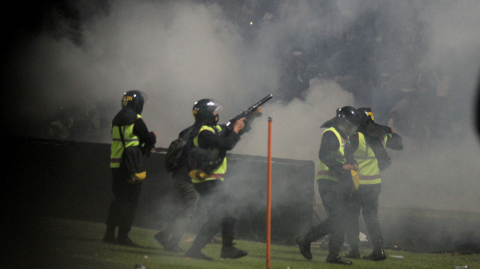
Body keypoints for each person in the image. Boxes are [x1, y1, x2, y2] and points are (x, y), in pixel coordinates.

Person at [184, 98, 261, 261]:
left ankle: (204, 250)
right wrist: (236, 128)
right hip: (208, 180)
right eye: (214, 111)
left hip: (209, 180)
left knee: (218, 216)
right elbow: (227, 143)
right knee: (226, 211)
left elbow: (232, 131)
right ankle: (226, 248)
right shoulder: (204, 132)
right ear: (206, 114)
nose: (216, 114)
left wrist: (250, 118)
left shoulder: (208, 129)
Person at [296, 106, 361, 265]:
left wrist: (353, 164)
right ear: (341, 121)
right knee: (338, 218)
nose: (350, 129)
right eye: (349, 125)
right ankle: (307, 240)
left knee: (341, 219)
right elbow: (323, 155)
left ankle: (332, 255)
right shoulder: (331, 134)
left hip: (340, 182)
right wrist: (341, 167)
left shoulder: (345, 137)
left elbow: (348, 157)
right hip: (328, 181)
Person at [344, 107, 403, 261]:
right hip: (374, 184)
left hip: (356, 185)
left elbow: (344, 155)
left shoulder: (356, 136)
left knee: (352, 217)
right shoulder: (381, 137)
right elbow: (399, 145)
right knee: (372, 218)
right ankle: (379, 250)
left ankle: (354, 250)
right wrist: (392, 131)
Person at [103, 90, 157, 247]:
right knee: (130, 202)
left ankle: (109, 233)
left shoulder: (116, 118)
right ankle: (123, 236)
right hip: (130, 165)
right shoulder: (136, 118)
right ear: (137, 103)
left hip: (116, 164)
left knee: (118, 200)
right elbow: (147, 138)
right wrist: (153, 135)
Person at [153, 125, 201, 253]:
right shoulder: (203, 133)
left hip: (179, 176)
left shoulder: (188, 131)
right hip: (187, 179)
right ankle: (172, 243)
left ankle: (164, 235)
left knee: (186, 210)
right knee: (188, 213)